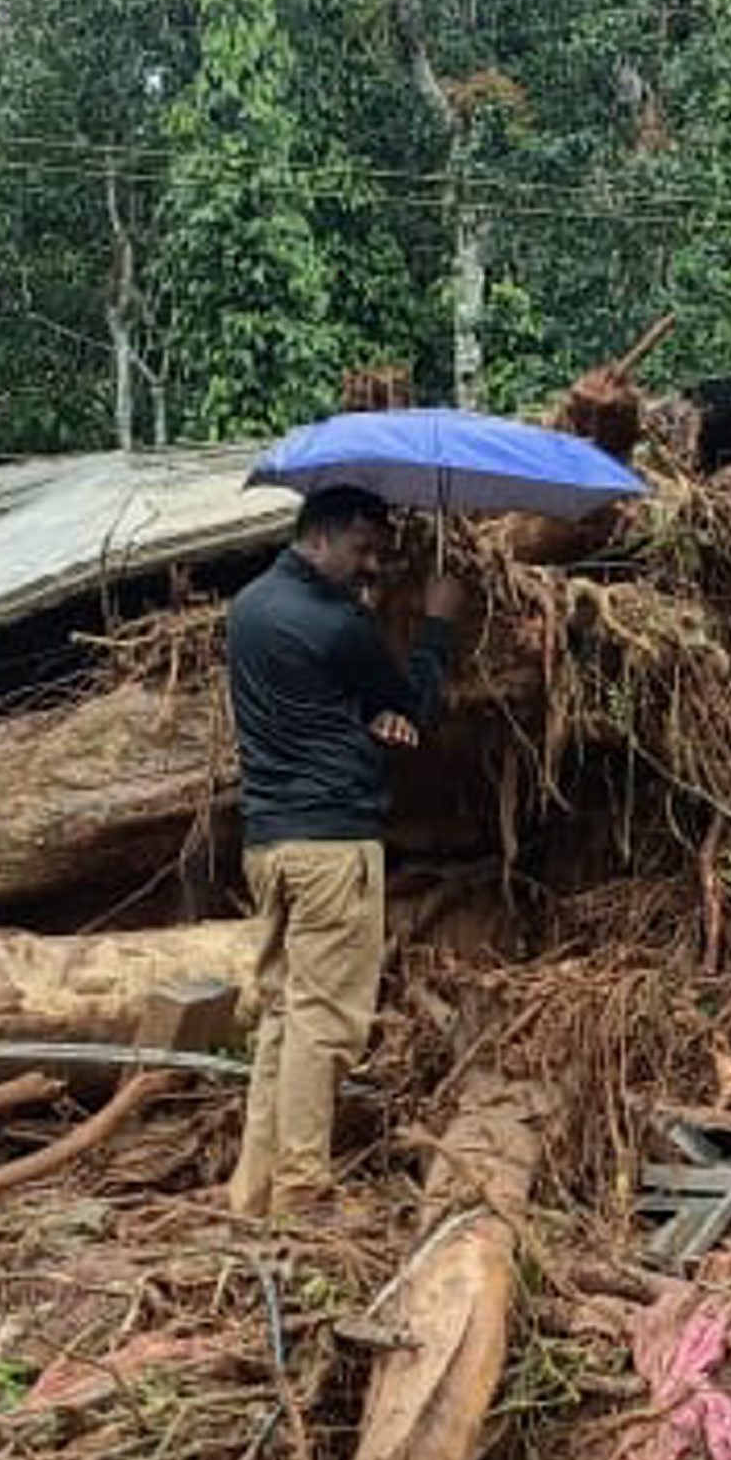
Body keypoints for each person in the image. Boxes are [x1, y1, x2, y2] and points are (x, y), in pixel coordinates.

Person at [224, 487, 469, 1213]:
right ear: (322, 535)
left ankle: (254, 1188)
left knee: (280, 1014)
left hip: (268, 842)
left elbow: (320, 712)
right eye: (362, 549)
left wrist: (362, 725)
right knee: (325, 1022)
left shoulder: (248, 607)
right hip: (331, 846)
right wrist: (438, 623)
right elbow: (414, 705)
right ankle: (302, 1191)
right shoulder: (339, 623)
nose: (370, 567)